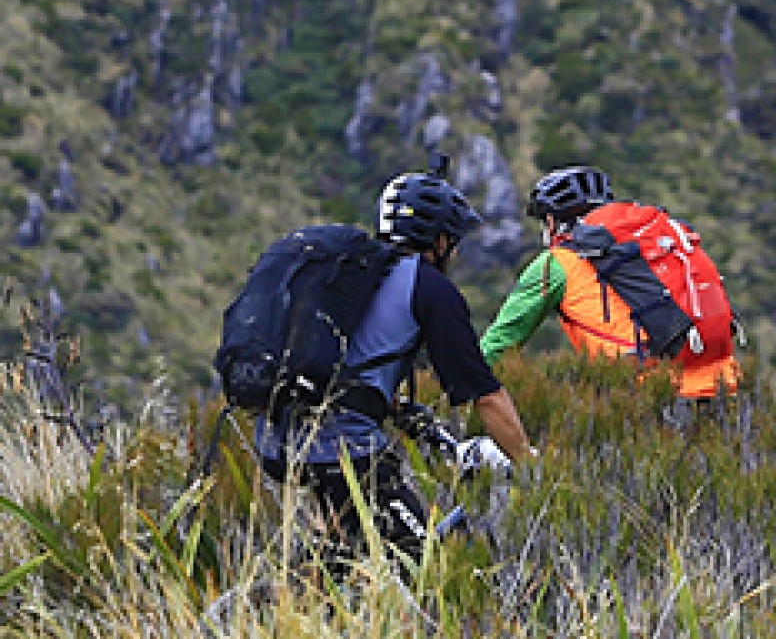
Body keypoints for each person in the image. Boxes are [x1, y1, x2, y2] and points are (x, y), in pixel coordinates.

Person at [256, 172, 538, 574]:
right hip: (342, 447)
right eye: (454, 241)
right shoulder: (429, 288)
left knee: (347, 556)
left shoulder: (353, 274)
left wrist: (396, 408)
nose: (455, 253)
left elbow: (349, 358)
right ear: (440, 241)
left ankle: (297, 596)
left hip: (277, 437)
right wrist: (528, 465)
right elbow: (485, 394)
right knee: (418, 563)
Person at [479, 166, 740, 401]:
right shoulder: (652, 242)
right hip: (723, 387)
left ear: (551, 221)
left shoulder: (557, 263)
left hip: (644, 396)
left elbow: (501, 340)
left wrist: (463, 383)